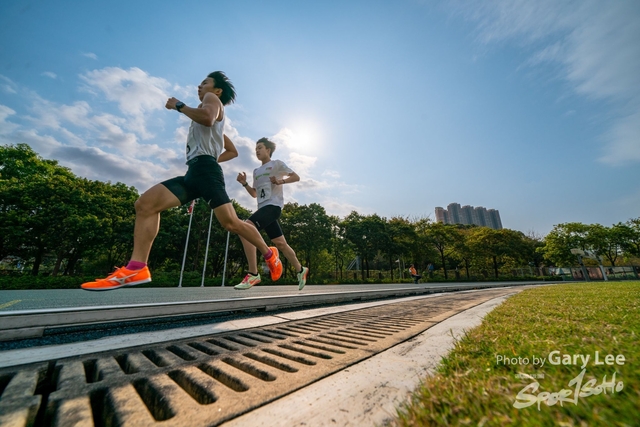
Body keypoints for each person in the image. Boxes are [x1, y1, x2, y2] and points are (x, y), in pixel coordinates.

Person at [81, 72, 282, 291]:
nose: (200, 86)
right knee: (145, 205)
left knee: (231, 223)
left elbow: (207, 117)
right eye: (199, 83)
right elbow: (230, 149)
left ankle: (270, 254)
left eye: (205, 83)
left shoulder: (210, 100)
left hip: (206, 171)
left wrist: (179, 106)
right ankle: (136, 267)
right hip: (193, 172)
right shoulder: (211, 118)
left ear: (217, 91)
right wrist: (212, 152)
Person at [234, 137, 309, 291]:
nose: (257, 151)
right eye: (256, 149)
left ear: (268, 150)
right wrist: (245, 184)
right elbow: (254, 194)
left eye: (260, 148)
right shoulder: (256, 171)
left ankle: (253, 273)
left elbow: (296, 177)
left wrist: (281, 181)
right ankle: (301, 270)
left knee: (245, 228)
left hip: (273, 207)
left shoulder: (277, 164)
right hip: (263, 209)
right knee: (281, 244)